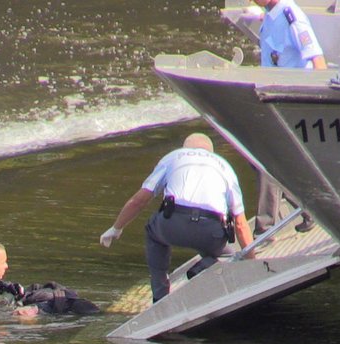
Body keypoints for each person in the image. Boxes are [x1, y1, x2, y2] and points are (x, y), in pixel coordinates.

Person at [99, 133, 255, 303]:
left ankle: (160, 295)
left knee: (152, 231)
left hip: (173, 226)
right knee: (229, 255)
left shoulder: (173, 158)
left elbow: (139, 200)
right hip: (210, 232)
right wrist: (253, 263)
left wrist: (116, 227)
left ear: (184, 148)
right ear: (211, 151)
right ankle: (206, 265)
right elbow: (240, 224)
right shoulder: (225, 167)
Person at [251, 0, 325, 235]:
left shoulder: (290, 15)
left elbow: (317, 61)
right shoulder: (269, 15)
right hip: (271, 100)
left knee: (267, 161)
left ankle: (265, 229)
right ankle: (309, 210)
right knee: (258, 157)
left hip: (290, 102)